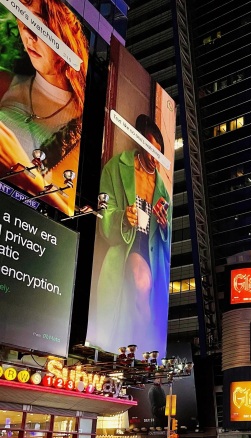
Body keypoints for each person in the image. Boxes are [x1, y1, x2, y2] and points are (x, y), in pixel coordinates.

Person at [92, 114, 172, 353]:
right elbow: (103, 212)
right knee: (141, 282)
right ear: (140, 143)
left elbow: (167, 242)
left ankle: (144, 352)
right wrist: (123, 218)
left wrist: (164, 226)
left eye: (158, 154)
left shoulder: (162, 189)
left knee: (147, 292)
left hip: (151, 249)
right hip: (128, 242)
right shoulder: (116, 167)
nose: (154, 159)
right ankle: (144, 349)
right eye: (151, 151)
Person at [0, 0, 88, 213]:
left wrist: (20, 170)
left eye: (38, 25)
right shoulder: (5, 82)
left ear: (66, 32)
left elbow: (71, 214)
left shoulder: (87, 125)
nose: (28, 35)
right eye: (24, 21)